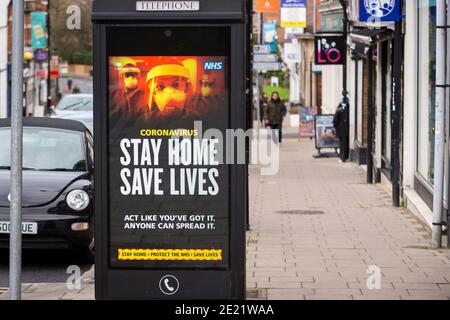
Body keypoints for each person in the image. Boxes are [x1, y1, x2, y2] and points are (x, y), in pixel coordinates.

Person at [333, 90, 350, 162]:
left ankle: (342, 158)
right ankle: (345, 156)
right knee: (346, 143)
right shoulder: (348, 106)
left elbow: (335, 120)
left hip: (340, 129)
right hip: (347, 128)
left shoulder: (339, 109)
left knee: (342, 144)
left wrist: (335, 126)